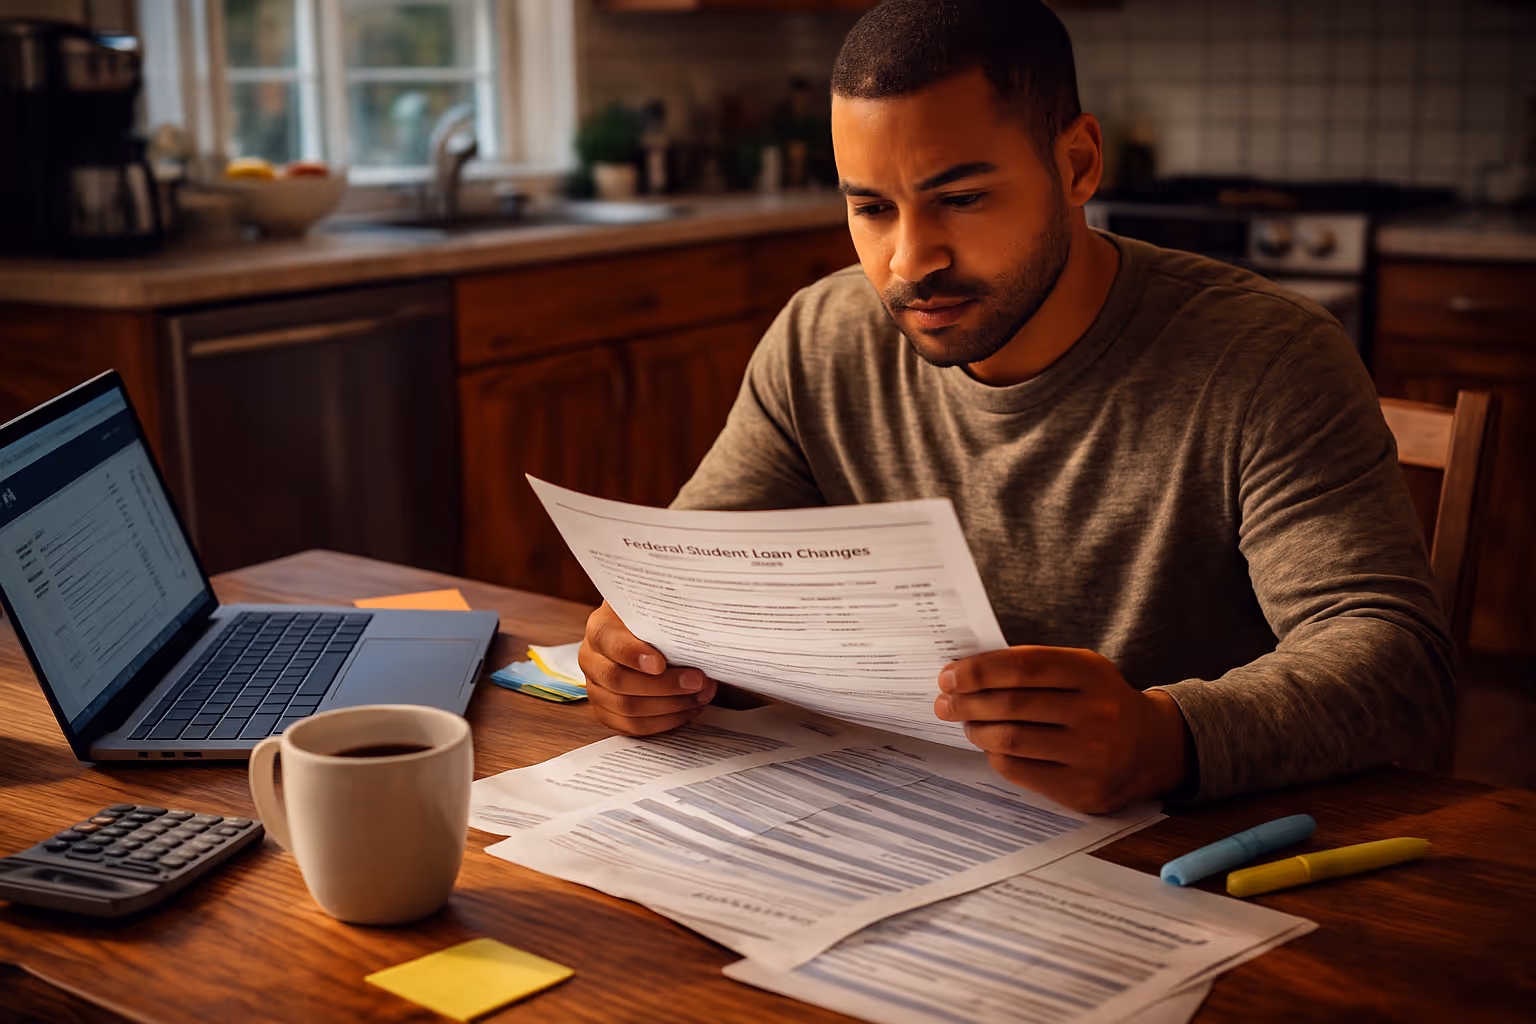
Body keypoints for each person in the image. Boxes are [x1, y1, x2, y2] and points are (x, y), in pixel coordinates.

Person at [577, 0, 1454, 814]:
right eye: (872, 208)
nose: (908, 261)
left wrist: (1166, 737)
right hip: (887, 824)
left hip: (1186, 855)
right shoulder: (821, 335)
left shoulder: (1267, 356)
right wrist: (650, 659)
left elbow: (1395, 664)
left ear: (1076, 163)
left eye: (960, 199)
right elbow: (694, 596)